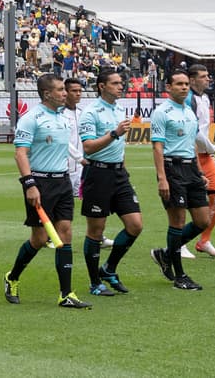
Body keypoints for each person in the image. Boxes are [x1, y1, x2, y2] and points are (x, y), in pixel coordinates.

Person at [3, 73, 91, 309]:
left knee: (66, 234)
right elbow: (20, 153)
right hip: (39, 183)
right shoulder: (32, 118)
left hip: (62, 181)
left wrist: (80, 161)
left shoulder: (63, 117)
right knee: (40, 239)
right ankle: (12, 277)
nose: (65, 93)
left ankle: (66, 294)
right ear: (47, 93)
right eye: (61, 89)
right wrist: (29, 184)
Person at [77, 70, 141, 297]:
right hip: (98, 174)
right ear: (101, 86)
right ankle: (95, 283)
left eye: (121, 83)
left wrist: (123, 166)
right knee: (96, 230)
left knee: (135, 225)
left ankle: (109, 268)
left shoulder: (119, 109)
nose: (120, 86)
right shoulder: (90, 112)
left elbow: (118, 146)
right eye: (115, 83)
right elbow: (88, 147)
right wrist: (114, 133)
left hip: (119, 174)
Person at [147, 70, 209, 291]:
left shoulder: (190, 111)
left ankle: (165, 254)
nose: (184, 87)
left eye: (186, 84)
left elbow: (191, 143)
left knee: (203, 220)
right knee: (178, 221)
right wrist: (162, 178)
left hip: (191, 168)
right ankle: (179, 275)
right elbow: (157, 146)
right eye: (179, 84)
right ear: (169, 87)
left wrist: (200, 172)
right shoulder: (161, 112)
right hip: (172, 169)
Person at [183, 64, 215, 260]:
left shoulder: (204, 97)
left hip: (204, 155)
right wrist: (211, 147)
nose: (207, 79)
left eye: (207, 76)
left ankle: (204, 240)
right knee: (188, 200)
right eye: (203, 76)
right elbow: (193, 130)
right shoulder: (189, 99)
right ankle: (181, 243)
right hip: (191, 154)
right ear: (192, 80)